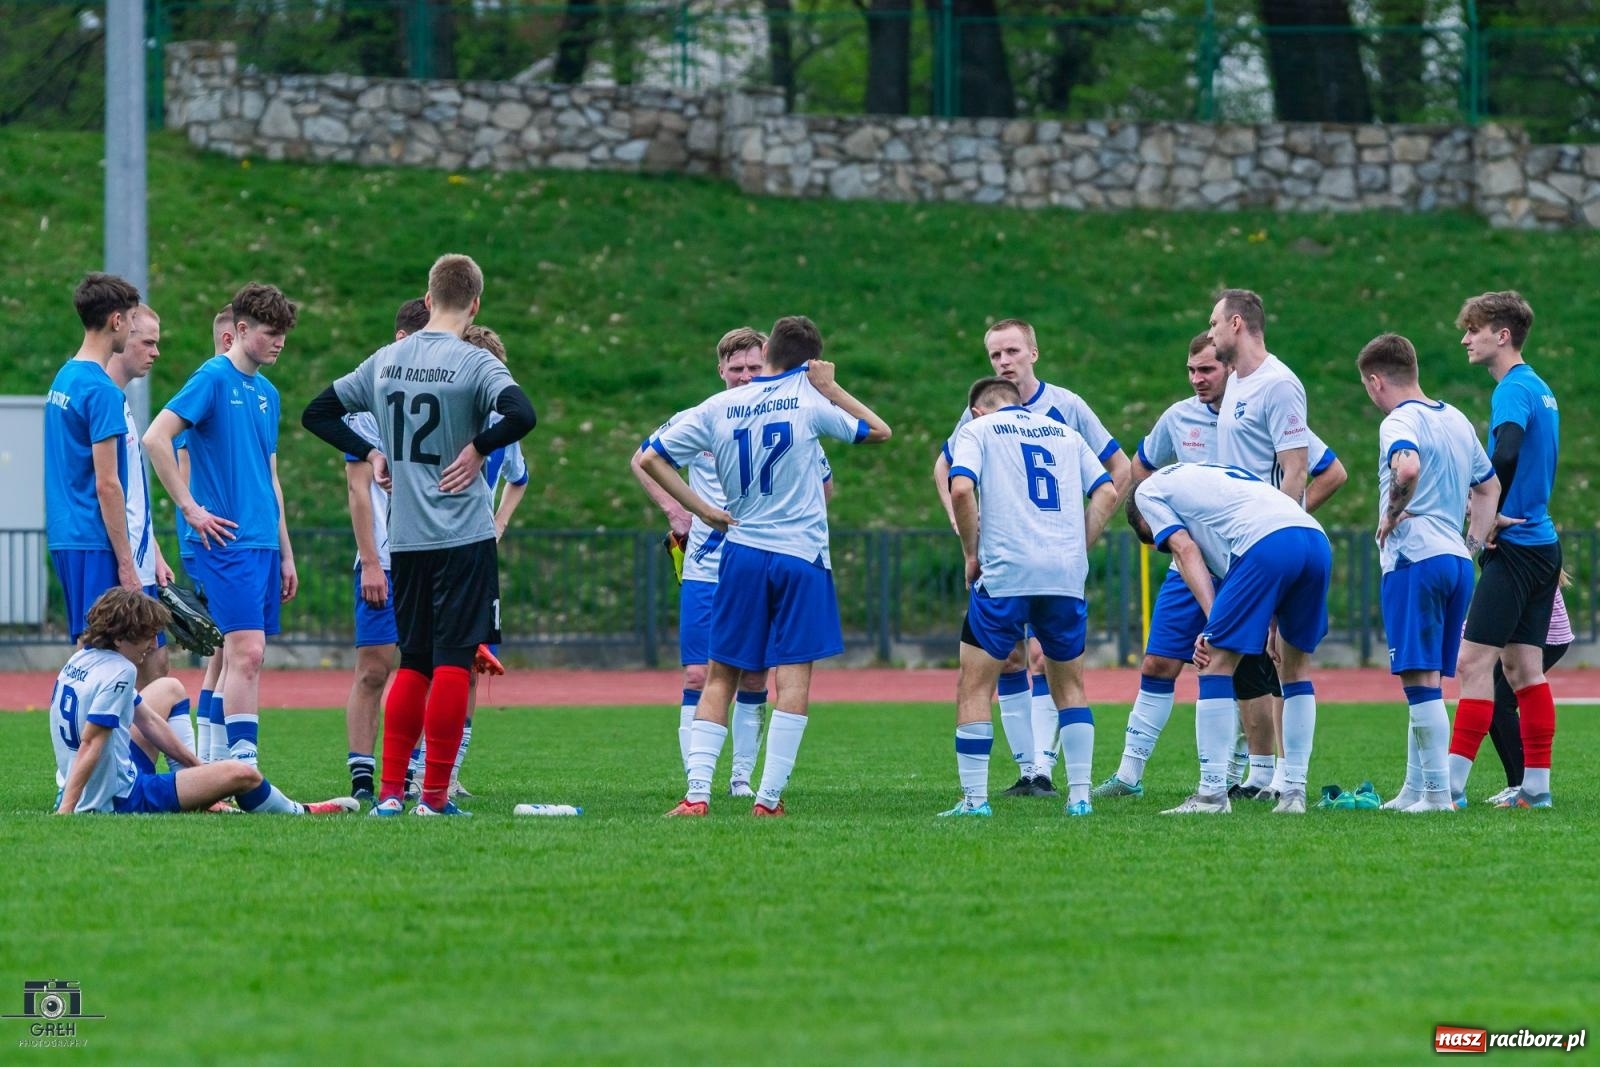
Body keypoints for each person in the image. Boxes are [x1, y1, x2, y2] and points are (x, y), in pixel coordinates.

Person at [301, 253, 536, 817]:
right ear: (475, 304)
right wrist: (479, 449)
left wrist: (371, 451)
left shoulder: (386, 359)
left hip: (405, 539)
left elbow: (318, 413)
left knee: (413, 663)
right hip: (462, 535)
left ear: (428, 299)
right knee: (454, 664)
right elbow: (521, 413)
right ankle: (432, 797)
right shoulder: (474, 363)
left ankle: (387, 796)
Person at [639, 315, 890, 817]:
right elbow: (879, 431)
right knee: (791, 680)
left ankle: (697, 795)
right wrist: (831, 387)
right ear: (808, 364)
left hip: (742, 553)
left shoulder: (718, 406)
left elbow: (648, 458)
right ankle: (767, 799)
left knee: (718, 676)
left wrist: (702, 509)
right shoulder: (809, 402)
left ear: (769, 352)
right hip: (801, 557)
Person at [1095, 332, 1345, 799]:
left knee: (1237, 664)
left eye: (1206, 369)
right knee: (1167, 660)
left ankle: (1235, 781)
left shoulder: (1262, 406)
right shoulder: (1178, 418)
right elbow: (1141, 472)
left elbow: (1329, 469)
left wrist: (1287, 513)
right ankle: (1131, 774)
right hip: (1264, 547)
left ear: (1230, 367)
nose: (1197, 379)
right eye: (1191, 370)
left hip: (1252, 548)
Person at [930, 318, 1131, 797]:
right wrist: (964, 523)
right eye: (996, 355)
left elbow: (1120, 467)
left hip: (1011, 564)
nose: (1004, 362)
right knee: (1022, 663)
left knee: (1003, 672)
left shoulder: (1065, 407)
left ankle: (996, 788)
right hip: (1055, 568)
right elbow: (944, 467)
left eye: (1012, 352)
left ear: (1033, 353)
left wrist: (1076, 538)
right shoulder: (984, 417)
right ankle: (1037, 774)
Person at [144, 283, 300, 774]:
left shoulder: (268, 394)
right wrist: (190, 507)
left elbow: (269, 478)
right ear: (240, 331)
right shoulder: (212, 377)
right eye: (271, 333)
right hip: (225, 539)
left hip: (261, 542)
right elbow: (155, 438)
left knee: (241, 654)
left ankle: (218, 766)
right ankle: (243, 769)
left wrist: (286, 551)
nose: (279, 343)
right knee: (246, 651)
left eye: (283, 335)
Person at [1127, 462, 1332, 814]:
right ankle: (1294, 793)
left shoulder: (1146, 493)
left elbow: (1185, 550)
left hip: (1267, 541)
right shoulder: (1208, 477)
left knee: (1213, 663)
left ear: (1144, 523)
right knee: (1294, 671)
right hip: (1313, 538)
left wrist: (1213, 623)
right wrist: (1268, 617)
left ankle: (1211, 796)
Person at [51, 589, 356, 815]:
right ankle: (300, 811)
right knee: (242, 773)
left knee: (170, 688)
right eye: (145, 636)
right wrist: (67, 812)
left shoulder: (81, 659)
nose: (151, 645)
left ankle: (199, 795)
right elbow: (92, 743)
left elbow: (148, 720)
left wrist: (197, 771)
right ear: (119, 639)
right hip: (117, 798)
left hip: (90, 781)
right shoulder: (121, 671)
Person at [1356, 333, 1499, 813]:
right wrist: (1472, 544)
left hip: (1414, 557)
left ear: (1376, 381)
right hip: (1456, 561)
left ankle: (1438, 795)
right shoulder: (1455, 418)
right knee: (1428, 683)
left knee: (1418, 683)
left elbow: (1408, 468)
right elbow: (1488, 486)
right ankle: (1415, 789)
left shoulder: (1399, 420)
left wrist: (1393, 512)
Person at [1445, 291, 1562, 809]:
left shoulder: (1512, 390)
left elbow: (1507, 451)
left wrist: (1486, 514)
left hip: (1515, 547)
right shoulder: (1541, 387)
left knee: (1472, 663)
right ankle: (1535, 789)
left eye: (1474, 329)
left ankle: (1446, 788)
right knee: (1522, 670)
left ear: (1503, 335)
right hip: (1543, 545)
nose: (1466, 338)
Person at [1205, 288, 1319, 801]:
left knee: (1273, 659)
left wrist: (1275, 532)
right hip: (1240, 540)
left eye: (1212, 324)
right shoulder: (1234, 384)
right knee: (1257, 659)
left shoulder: (1279, 384)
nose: (1208, 334)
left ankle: (1282, 784)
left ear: (1235, 324)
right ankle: (1265, 777)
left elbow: (1297, 467)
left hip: (1267, 540)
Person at [340, 297, 431, 802]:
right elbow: (358, 489)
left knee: (424, 666)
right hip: (385, 558)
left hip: (430, 554)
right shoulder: (366, 397)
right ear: (400, 340)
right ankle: (361, 772)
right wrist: (371, 560)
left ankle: (416, 769)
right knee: (374, 666)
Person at [45, 273, 145, 644]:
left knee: (88, 647)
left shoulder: (64, 377)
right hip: (93, 538)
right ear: (116, 320)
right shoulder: (102, 390)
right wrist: (125, 562)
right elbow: (107, 483)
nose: (132, 329)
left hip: (66, 534)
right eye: (132, 320)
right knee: (105, 652)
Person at [183, 305, 235, 767]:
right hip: (207, 539)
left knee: (220, 654)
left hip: (209, 536)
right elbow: (184, 472)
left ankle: (211, 756)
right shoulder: (207, 390)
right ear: (228, 339)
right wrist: (193, 518)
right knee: (225, 650)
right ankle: (212, 757)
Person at [1484, 583, 1572, 804]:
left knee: (1501, 705)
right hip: (1525, 634)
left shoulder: (1516, 551)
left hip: (1544, 637)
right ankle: (1516, 784)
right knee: (1494, 704)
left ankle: (1526, 785)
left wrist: (1472, 632)